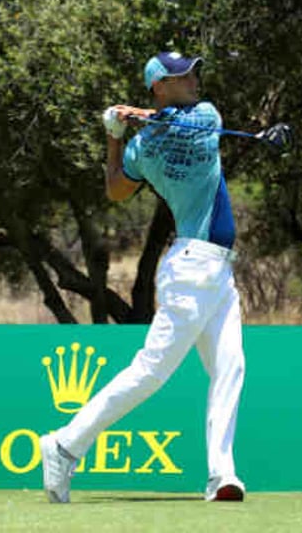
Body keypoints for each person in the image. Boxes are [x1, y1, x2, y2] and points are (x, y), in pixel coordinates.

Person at [41, 51, 274, 504]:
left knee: (231, 367)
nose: (192, 78)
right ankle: (66, 444)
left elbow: (122, 176)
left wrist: (125, 127)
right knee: (151, 372)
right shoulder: (143, 145)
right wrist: (114, 136)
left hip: (214, 271)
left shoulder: (203, 116)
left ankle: (222, 475)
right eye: (180, 75)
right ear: (159, 85)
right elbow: (115, 190)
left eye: (191, 71)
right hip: (193, 267)